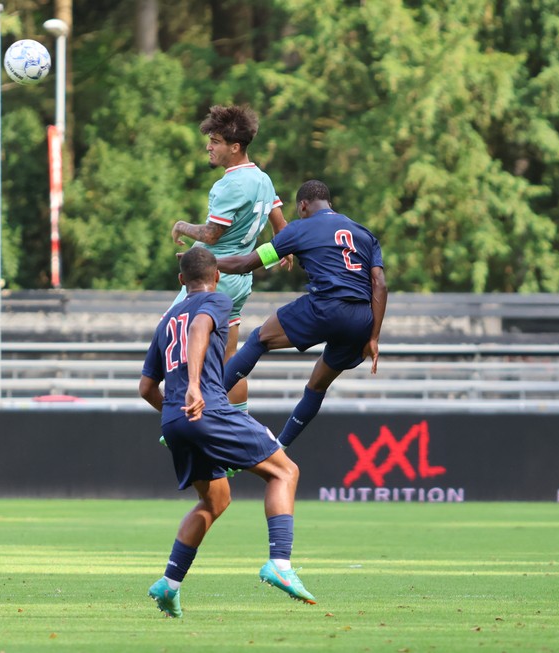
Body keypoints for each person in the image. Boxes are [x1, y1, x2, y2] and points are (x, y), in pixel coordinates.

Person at [139, 247, 316, 618]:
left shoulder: (166, 320)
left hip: (176, 421)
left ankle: (169, 584)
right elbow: (201, 327)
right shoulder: (216, 301)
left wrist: (178, 411)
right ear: (217, 276)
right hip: (210, 409)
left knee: (215, 500)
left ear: (180, 280)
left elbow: (145, 388)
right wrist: (193, 389)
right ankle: (280, 564)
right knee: (285, 471)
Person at [215, 179, 387, 449]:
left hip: (325, 306)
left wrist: (207, 262)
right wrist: (374, 336)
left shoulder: (299, 229)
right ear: (329, 204)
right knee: (317, 387)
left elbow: (246, 264)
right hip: (361, 320)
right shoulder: (364, 234)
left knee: (259, 339)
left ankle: (206, 403)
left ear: (303, 205)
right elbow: (380, 284)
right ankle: (280, 447)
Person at [169, 104, 291, 413]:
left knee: (172, 340)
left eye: (216, 141)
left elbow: (212, 235)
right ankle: (240, 424)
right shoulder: (262, 179)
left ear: (234, 147)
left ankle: (180, 417)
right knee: (229, 359)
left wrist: (182, 225)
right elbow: (281, 226)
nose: (208, 147)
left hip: (212, 281)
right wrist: (284, 251)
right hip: (240, 280)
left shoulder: (228, 185)